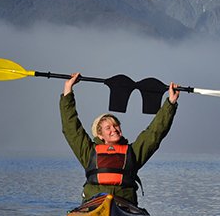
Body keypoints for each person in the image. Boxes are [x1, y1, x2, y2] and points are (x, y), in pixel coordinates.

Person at [60, 73, 179, 206]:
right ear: (100, 135)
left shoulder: (133, 152)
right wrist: (68, 90)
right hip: (94, 203)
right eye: (108, 128)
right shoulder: (88, 152)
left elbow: (155, 132)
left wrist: (170, 103)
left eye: (116, 125)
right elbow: (71, 128)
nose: (114, 129)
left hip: (125, 204)